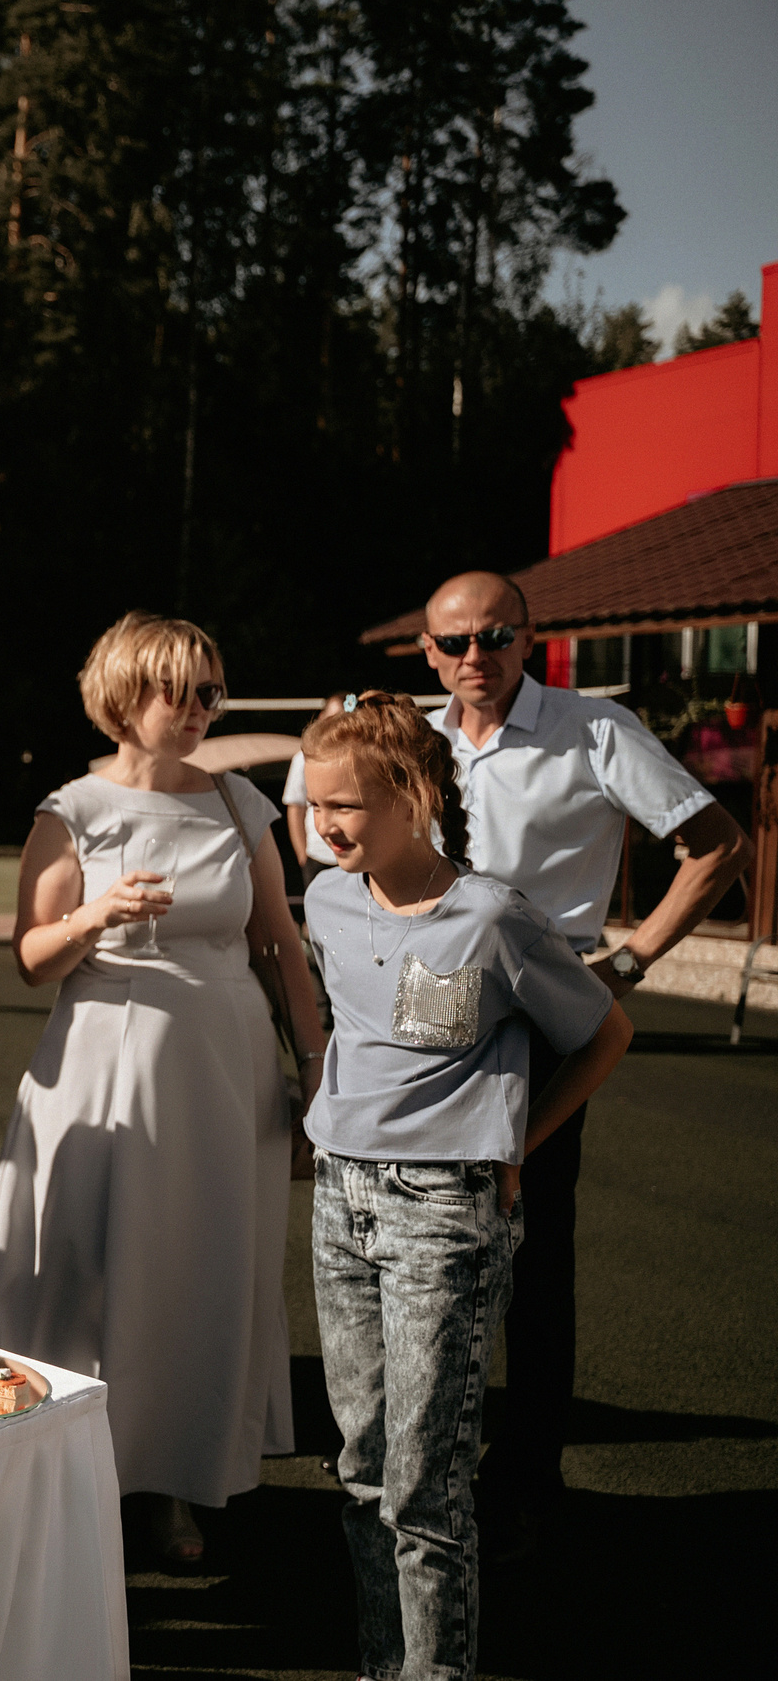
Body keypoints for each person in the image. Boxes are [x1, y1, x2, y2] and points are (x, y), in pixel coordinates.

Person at [0, 611, 323, 1567]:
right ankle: (62, 1477)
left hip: (225, 1064)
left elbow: (280, 943)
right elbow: (32, 959)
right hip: (106, 1063)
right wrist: (99, 912)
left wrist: (318, 1070)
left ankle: (172, 1482)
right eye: (183, 690)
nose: (203, 708)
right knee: (88, 1264)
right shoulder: (71, 807)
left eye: (213, 691)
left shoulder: (243, 803)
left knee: (201, 1271)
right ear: (126, 697)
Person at [298, 693, 632, 1681]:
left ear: (413, 795)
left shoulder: (492, 916)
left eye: (346, 805)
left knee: (422, 1481)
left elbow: (603, 1034)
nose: (324, 824)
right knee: (360, 1470)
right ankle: (380, 1664)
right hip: (338, 1198)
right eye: (315, 804)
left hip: (442, 1211)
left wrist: (513, 1144)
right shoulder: (323, 899)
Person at [414, 570, 745, 1553]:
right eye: (454, 642)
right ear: (427, 653)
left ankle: (525, 1467)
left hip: (536, 1010)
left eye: (495, 636)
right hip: (423, 1011)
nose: (475, 657)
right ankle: (430, 1448)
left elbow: (716, 844)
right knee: (418, 1237)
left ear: (530, 639)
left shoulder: (591, 729)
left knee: (524, 1239)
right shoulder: (417, 741)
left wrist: (633, 957)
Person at [281, 692, 356, 879]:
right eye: (332, 718)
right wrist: (302, 855)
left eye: (344, 719)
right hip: (318, 856)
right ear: (321, 718)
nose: (337, 726)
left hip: (355, 856)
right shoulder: (303, 758)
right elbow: (295, 807)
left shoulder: (361, 761)